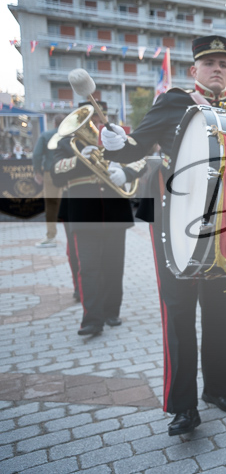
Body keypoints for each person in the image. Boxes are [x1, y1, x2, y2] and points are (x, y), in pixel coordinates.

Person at [101, 35, 226, 436]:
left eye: (224, 63)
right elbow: (133, 148)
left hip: (221, 224)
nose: (218, 69)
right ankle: (182, 406)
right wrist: (115, 145)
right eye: (210, 63)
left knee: (218, 310)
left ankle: (219, 389)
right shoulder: (174, 102)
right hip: (175, 223)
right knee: (179, 311)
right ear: (194, 70)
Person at [49, 109, 145, 336]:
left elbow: (141, 160)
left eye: (93, 120)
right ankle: (92, 319)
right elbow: (55, 173)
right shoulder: (65, 144)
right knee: (88, 268)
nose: (91, 124)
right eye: (87, 121)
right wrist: (81, 160)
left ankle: (112, 311)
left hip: (114, 211)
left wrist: (126, 174)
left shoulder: (113, 138)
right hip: (84, 213)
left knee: (114, 266)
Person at [32, 114, 66, 248]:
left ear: (54, 123)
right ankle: (74, 235)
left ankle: (51, 236)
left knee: (51, 205)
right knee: (69, 204)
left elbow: (36, 155)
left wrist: (37, 172)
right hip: (67, 173)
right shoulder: (70, 136)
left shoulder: (45, 135)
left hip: (50, 173)